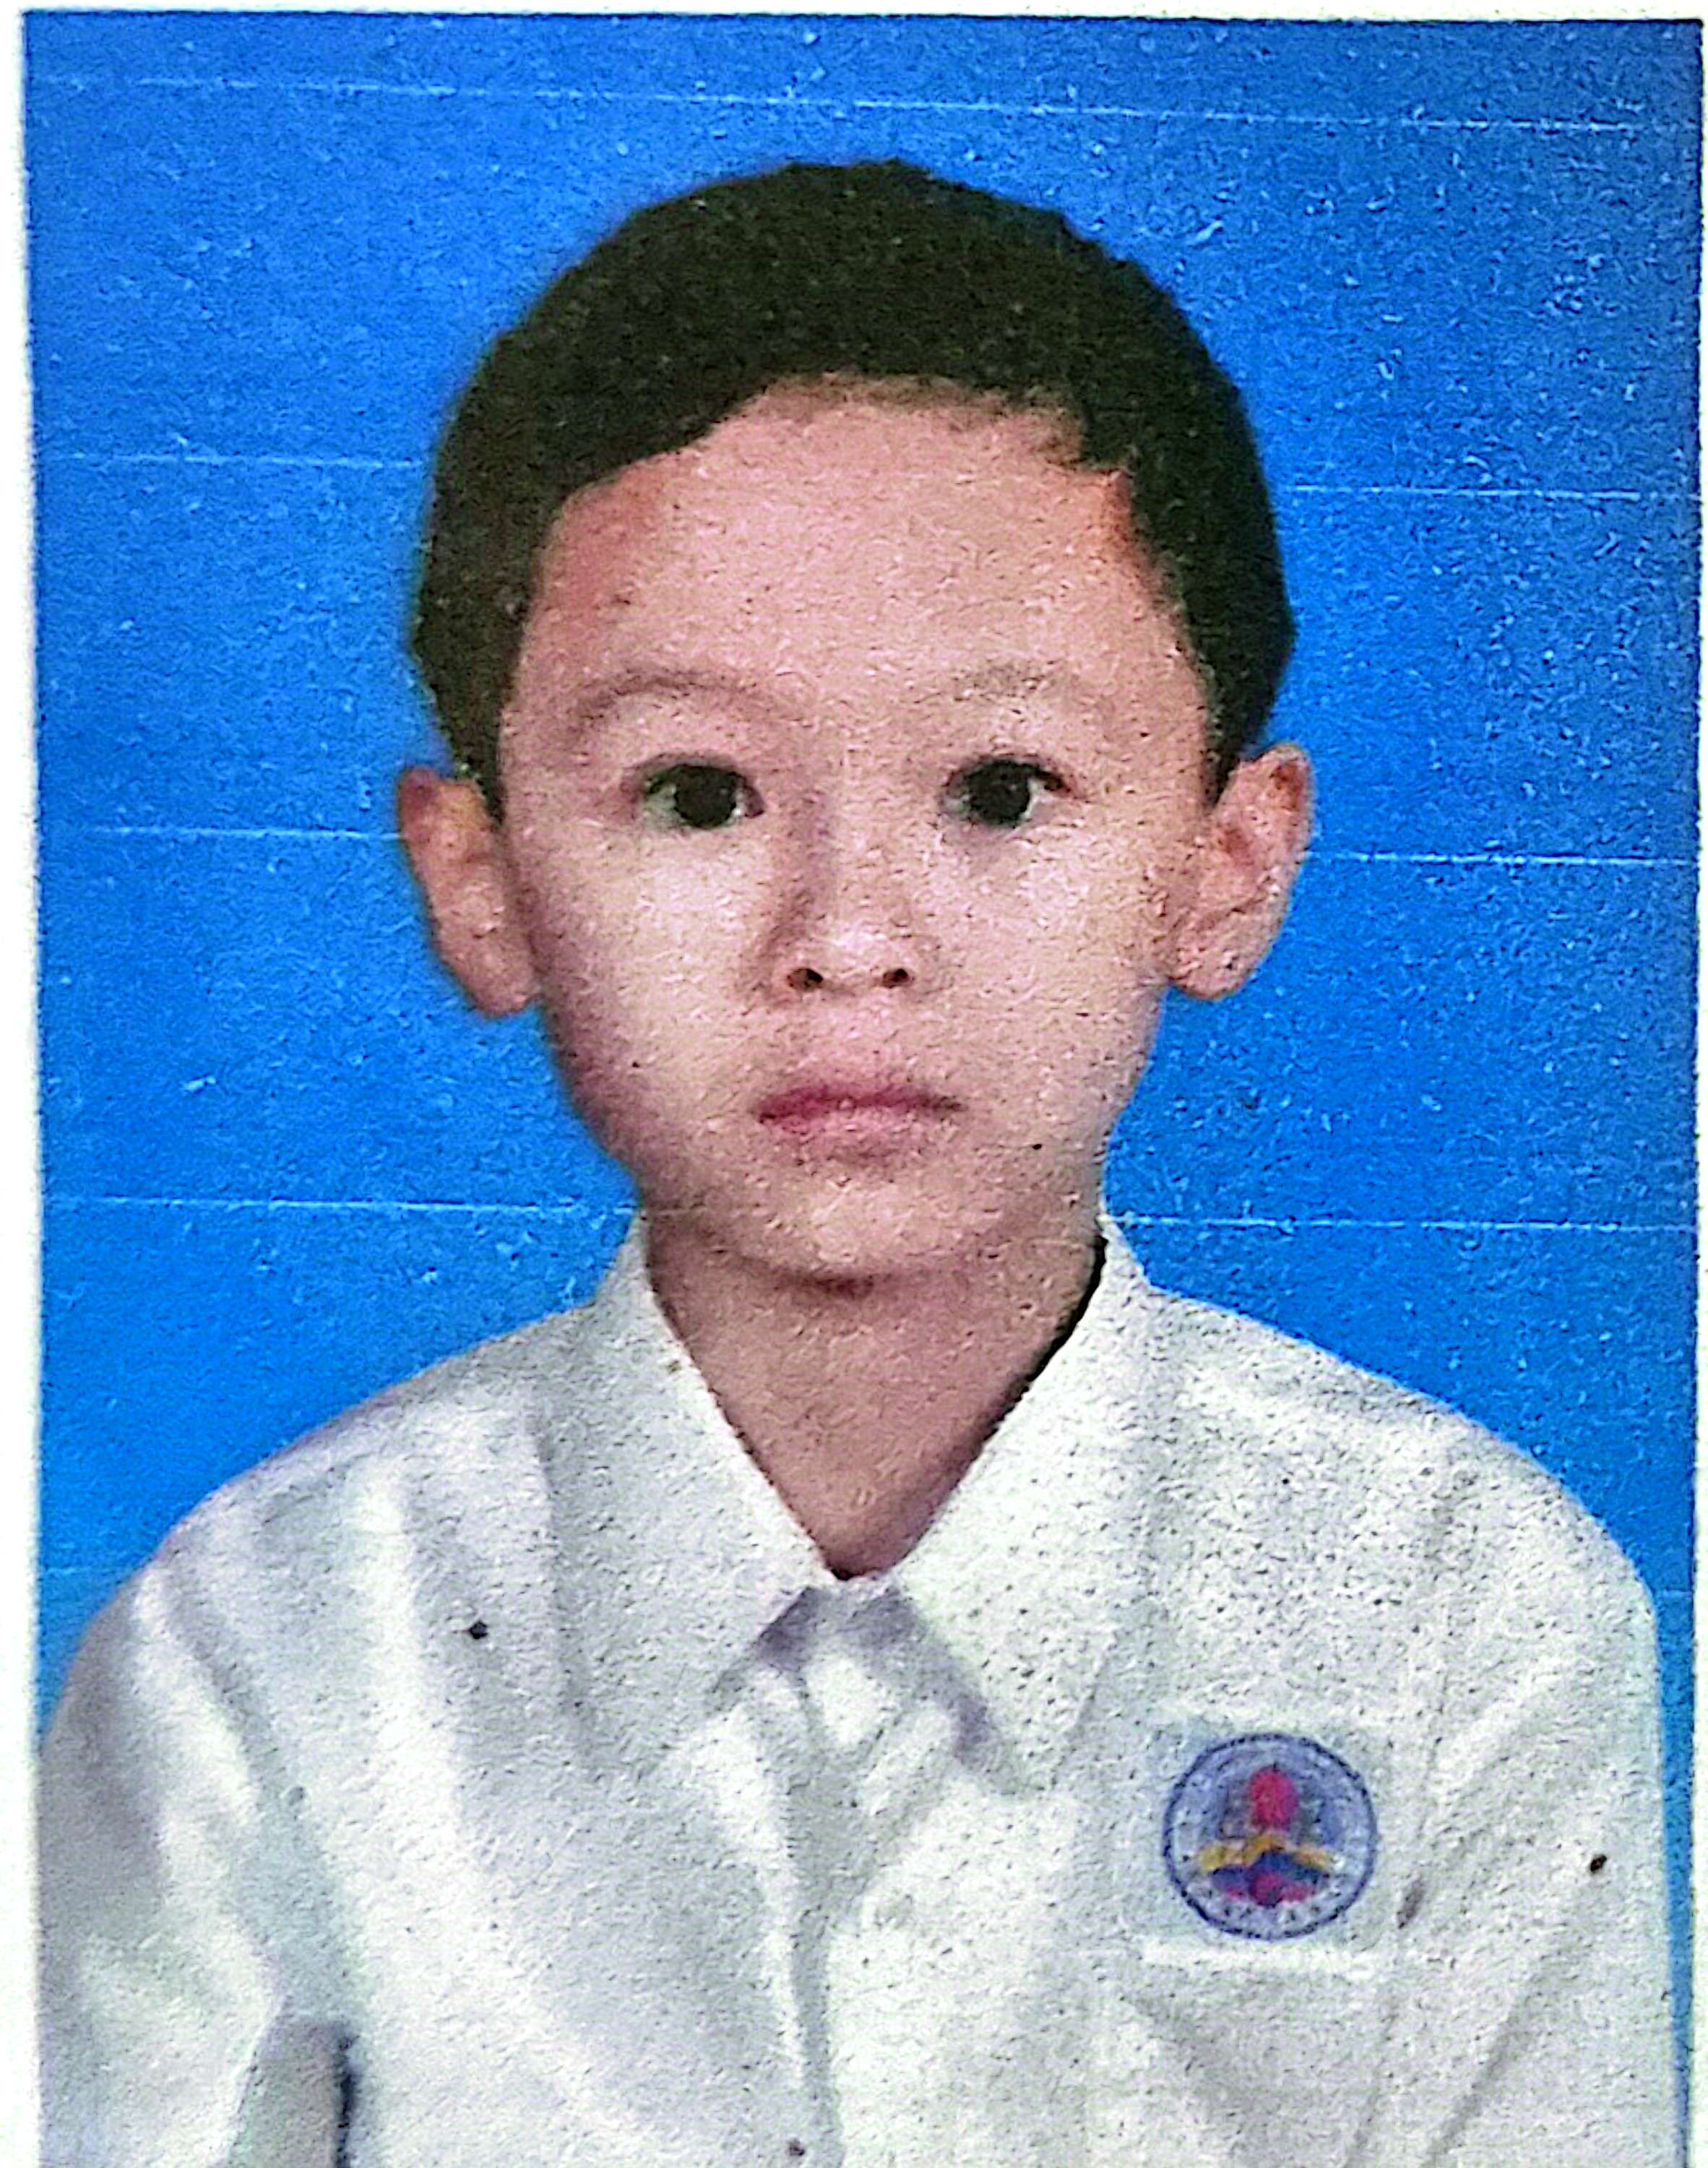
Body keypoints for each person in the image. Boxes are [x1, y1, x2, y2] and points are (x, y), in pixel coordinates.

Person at [38, 160, 1677, 2167]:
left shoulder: (1459, 1611)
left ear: (1226, 862)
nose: (845, 935)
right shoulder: (260, 1658)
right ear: (479, 884)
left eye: (999, 788)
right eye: (695, 794)